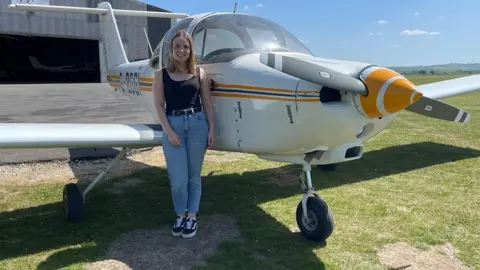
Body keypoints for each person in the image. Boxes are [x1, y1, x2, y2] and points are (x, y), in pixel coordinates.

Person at [152, 30, 214, 238]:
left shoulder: (200, 74)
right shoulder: (161, 75)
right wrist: (169, 132)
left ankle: (192, 217)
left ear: (191, 50)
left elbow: (207, 103)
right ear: (171, 49)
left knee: (194, 176)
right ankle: (180, 214)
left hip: (198, 124)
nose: (181, 50)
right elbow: (159, 106)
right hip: (173, 125)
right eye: (177, 46)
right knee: (178, 179)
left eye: (185, 47)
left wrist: (211, 128)